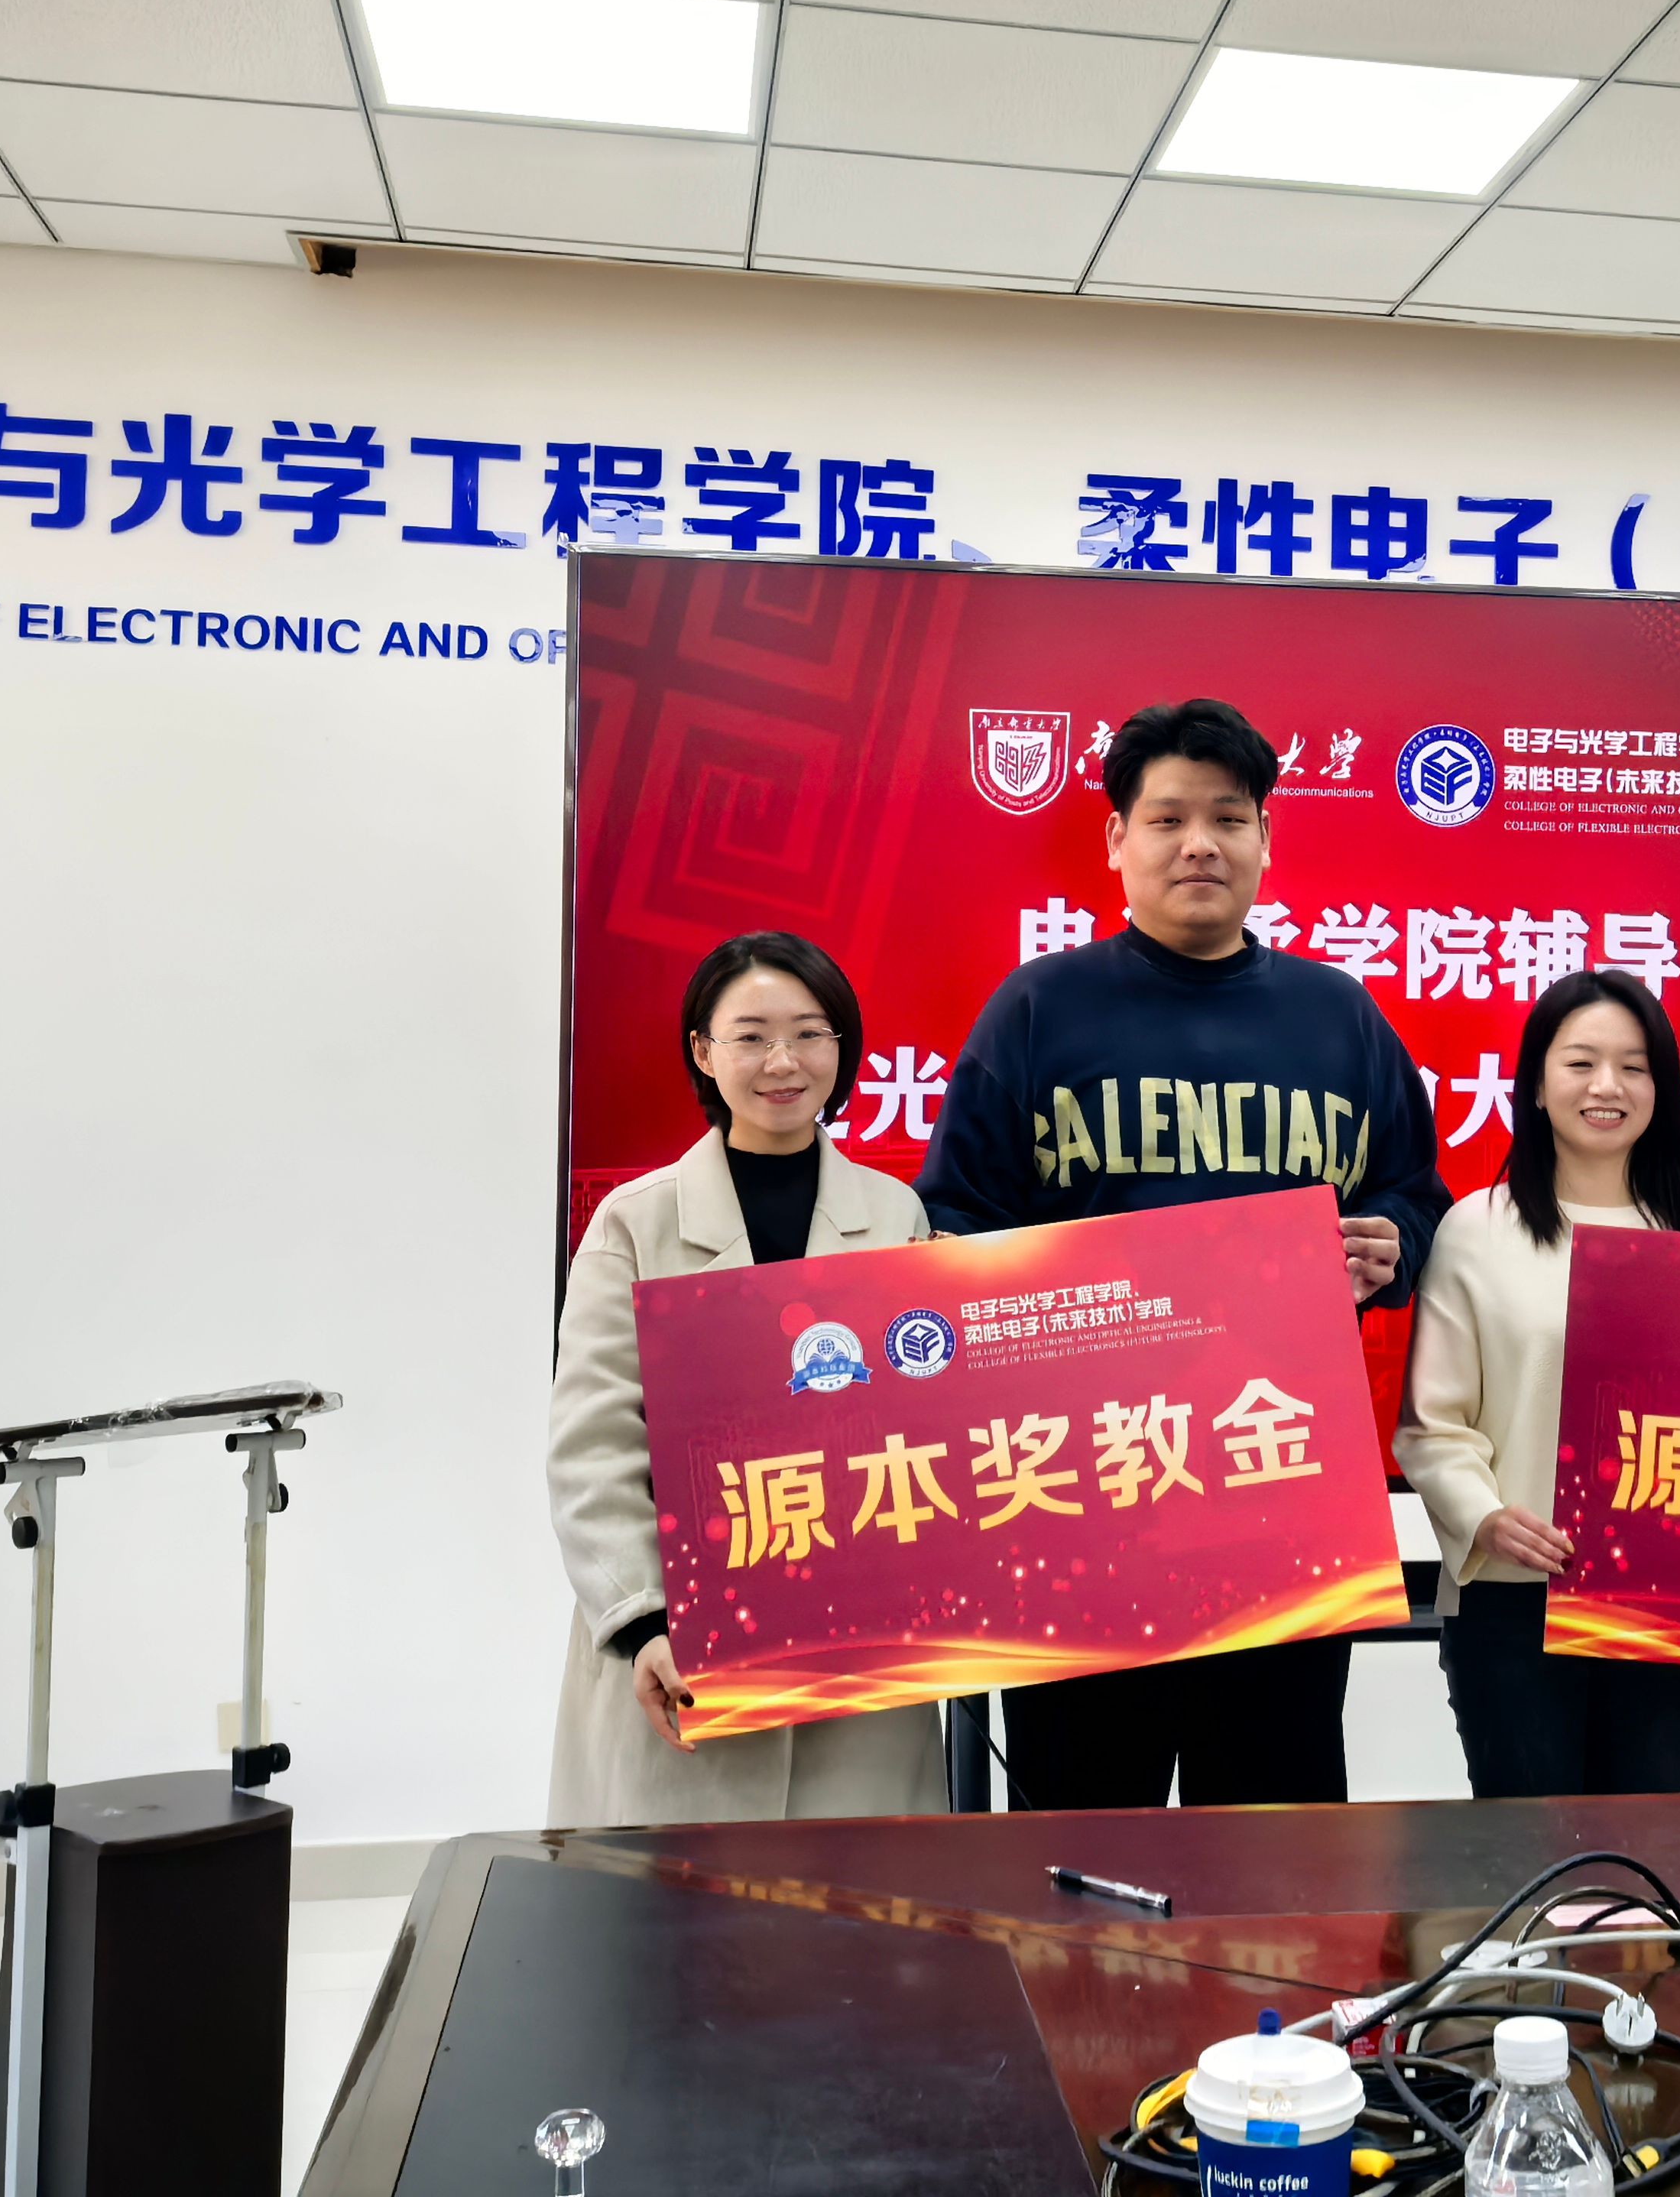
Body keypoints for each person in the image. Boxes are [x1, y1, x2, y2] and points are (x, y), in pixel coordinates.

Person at [917, 697, 1449, 1810]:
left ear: (1265, 837)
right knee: (1081, 1828)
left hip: (1283, 1476)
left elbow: (1417, 1194)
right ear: (1118, 840)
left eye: (1227, 818)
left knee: (1273, 1832)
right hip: (1077, 1489)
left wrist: (1390, 1241)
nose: (1199, 843)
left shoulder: (1339, 1017)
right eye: (1166, 819)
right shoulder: (1037, 1010)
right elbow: (953, 1223)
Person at [546, 931, 945, 1826]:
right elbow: (593, 1449)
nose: (783, 1062)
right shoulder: (635, 1223)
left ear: (841, 1047)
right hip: (685, 1654)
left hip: (859, 1655)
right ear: (703, 1050)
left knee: (860, 1899)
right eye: (752, 1037)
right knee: (681, 1905)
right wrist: (643, 1622)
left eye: (809, 1034)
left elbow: (932, 1426)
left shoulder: (896, 1215)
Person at [1399, 970, 1680, 1798]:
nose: (1607, 1087)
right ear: (1534, 1084)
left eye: (1634, 1067)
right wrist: (1485, 1518)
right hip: (1512, 1594)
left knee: (1642, 1843)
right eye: (1581, 1063)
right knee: (1528, 1840)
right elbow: (1432, 1426)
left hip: (1660, 1595)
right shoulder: (1476, 1229)